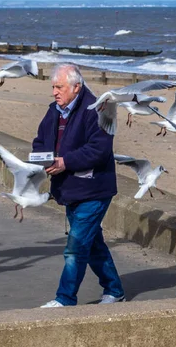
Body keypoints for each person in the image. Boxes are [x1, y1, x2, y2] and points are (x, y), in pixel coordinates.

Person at [33, 63, 124, 307]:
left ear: (76, 87)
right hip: (69, 188)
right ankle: (115, 290)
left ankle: (64, 299)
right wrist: (43, 158)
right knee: (92, 244)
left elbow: (100, 149)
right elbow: (40, 140)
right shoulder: (55, 110)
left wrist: (65, 162)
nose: (55, 92)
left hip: (94, 189)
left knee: (75, 248)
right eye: (53, 87)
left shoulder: (99, 109)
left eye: (59, 87)